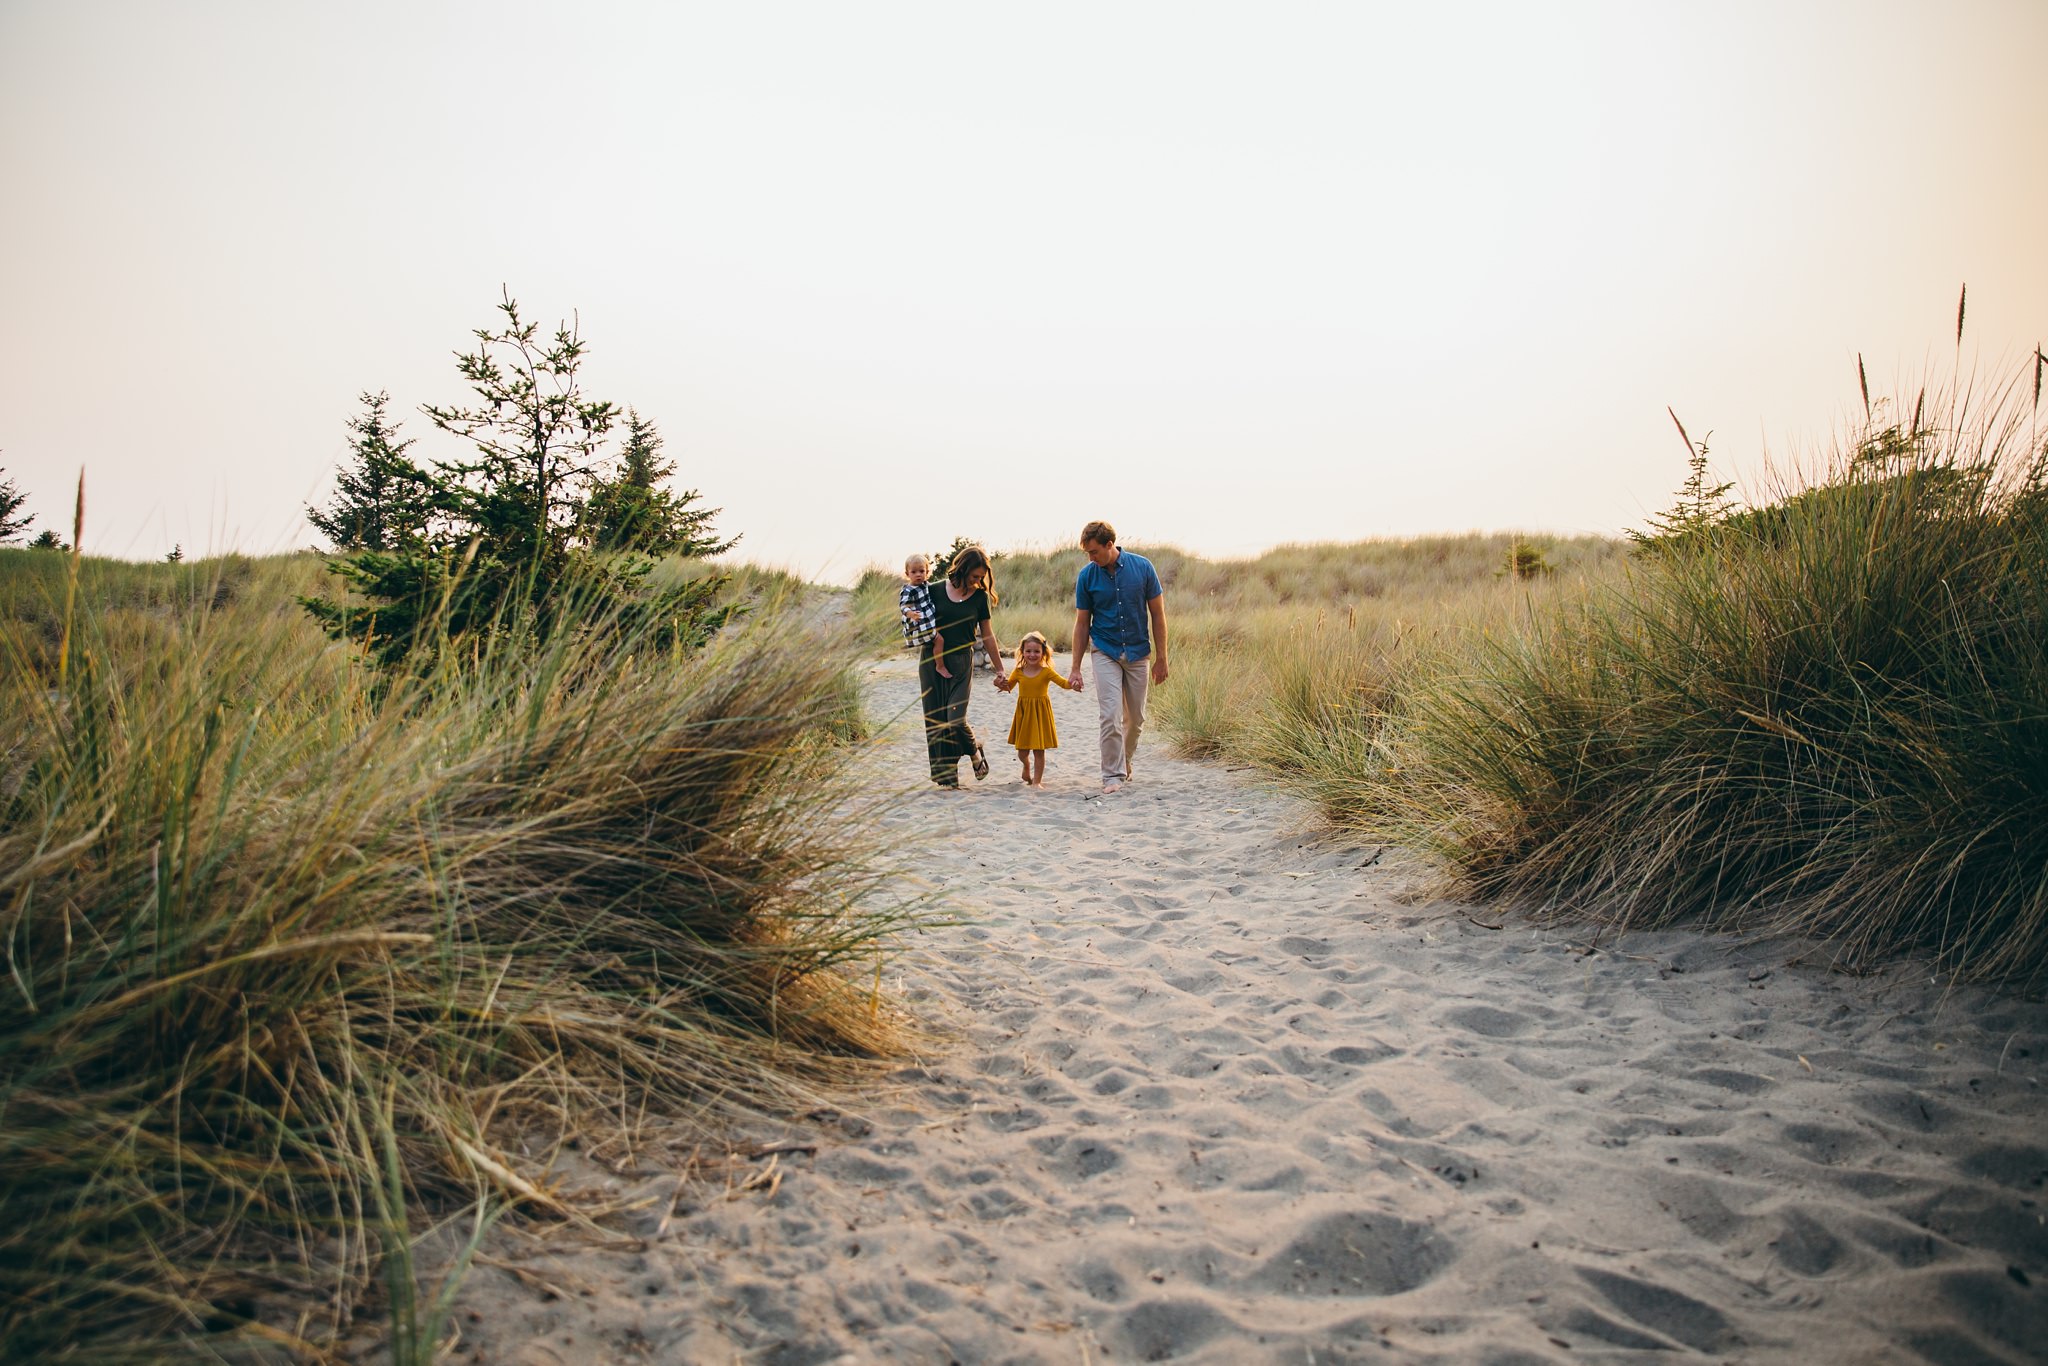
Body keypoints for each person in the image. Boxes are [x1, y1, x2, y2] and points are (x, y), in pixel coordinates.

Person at [1068, 520, 1167, 795]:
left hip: (1138, 652)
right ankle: (1112, 775)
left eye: (1094, 552)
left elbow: (1158, 615)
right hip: (1105, 650)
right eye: (1087, 553)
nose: (1090, 558)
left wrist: (1162, 658)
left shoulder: (1143, 567)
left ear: (1110, 545)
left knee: (1135, 719)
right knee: (1109, 715)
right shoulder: (1087, 576)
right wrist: (1075, 667)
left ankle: (1125, 761)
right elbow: (1081, 623)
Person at [921, 545, 1005, 788]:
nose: (977, 581)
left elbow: (988, 636)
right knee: (936, 720)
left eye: (981, 577)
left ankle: (975, 753)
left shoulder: (980, 598)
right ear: (962, 569)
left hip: (960, 662)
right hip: (931, 660)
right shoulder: (934, 590)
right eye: (974, 576)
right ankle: (947, 780)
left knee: (955, 720)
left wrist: (999, 668)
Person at [997, 629, 1080, 787]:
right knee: (1022, 752)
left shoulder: (1046, 672)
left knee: (1039, 751)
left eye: (1036, 651)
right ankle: (1026, 766)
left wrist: (1073, 685)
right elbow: (1008, 687)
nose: (1032, 655)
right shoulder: (1019, 672)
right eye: (1028, 651)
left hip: (1040, 714)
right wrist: (1000, 683)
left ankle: (1037, 782)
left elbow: (1064, 683)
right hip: (1024, 714)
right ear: (1022, 652)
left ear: (1043, 653)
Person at [897, 553, 949, 677]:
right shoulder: (908, 590)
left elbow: (937, 588)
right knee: (939, 640)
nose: (918, 574)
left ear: (927, 572)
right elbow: (903, 606)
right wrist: (911, 614)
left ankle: (936, 664)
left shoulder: (926, 585)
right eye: (914, 572)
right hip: (921, 624)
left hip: (928, 621)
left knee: (935, 640)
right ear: (907, 574)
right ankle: (940, 666)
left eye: (922, 571)